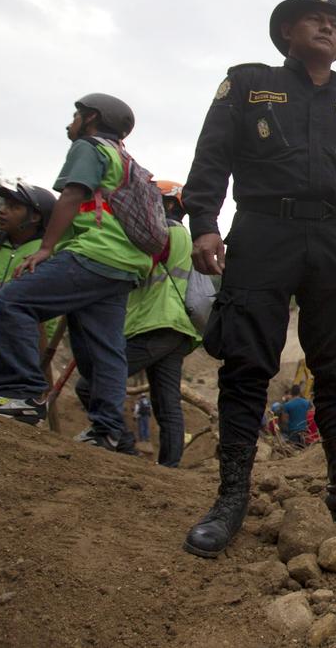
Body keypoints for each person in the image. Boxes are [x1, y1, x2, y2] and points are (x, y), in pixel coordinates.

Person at [181, 0, 336, 558]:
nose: (327, 29)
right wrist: (204, 222)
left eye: (335, 24)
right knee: (248, 361)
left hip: (335, 240)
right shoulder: (248, 84)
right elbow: (212, 156)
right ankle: (230, 501)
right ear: (286, 32)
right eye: (314, 21)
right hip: (262, 230)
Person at [0, 95, 150, 454]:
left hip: (94, 251)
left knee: (8, 305)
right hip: (124, 265)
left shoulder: (90, 146)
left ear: (92, 118)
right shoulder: (125, 157)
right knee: (104, 349)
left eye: (75, 116)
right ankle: (109, 430)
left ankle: (21, 396)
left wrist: (46, 248)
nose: (71, 124)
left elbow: (72, 194)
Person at [118, 179, 201, 467]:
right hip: (176, 327)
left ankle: (122, 446)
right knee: (167, 403)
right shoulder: (185, 237)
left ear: (168, 204)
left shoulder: (164, 231)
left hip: (155, 322)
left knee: (95, 383)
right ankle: (170, 467)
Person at [0, 183, 56, 400]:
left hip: (16, 355)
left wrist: (39, 353)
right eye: (4, 204)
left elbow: (51, 316)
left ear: (35, 217)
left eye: (13, 206)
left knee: (4, 423)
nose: (2, 210)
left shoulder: (49, 256)